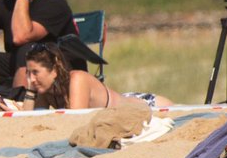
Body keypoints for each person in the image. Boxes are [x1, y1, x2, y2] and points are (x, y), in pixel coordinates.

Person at [21, 44, 172, 111]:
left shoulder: (77, 80)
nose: (31, 79)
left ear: (54, 70)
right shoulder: (46, 90)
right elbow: (32, 122)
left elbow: (73, 122)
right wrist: (30, 91)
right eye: (29, 73)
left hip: (148, 106)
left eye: (35, 72)